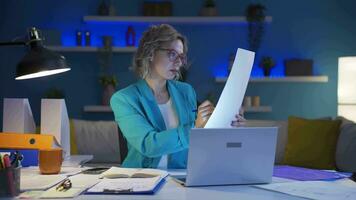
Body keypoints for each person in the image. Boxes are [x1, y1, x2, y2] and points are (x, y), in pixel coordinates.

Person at [110, 24, 244, 169]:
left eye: (181, 56)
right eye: (172, 54)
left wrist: (224, 125)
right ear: (150, 53)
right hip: (141, 179)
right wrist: (195, 127)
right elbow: (149, 145)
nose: (179, 62)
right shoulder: (123, 99)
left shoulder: (186, 91)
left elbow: (199, 140)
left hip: (180, 177)